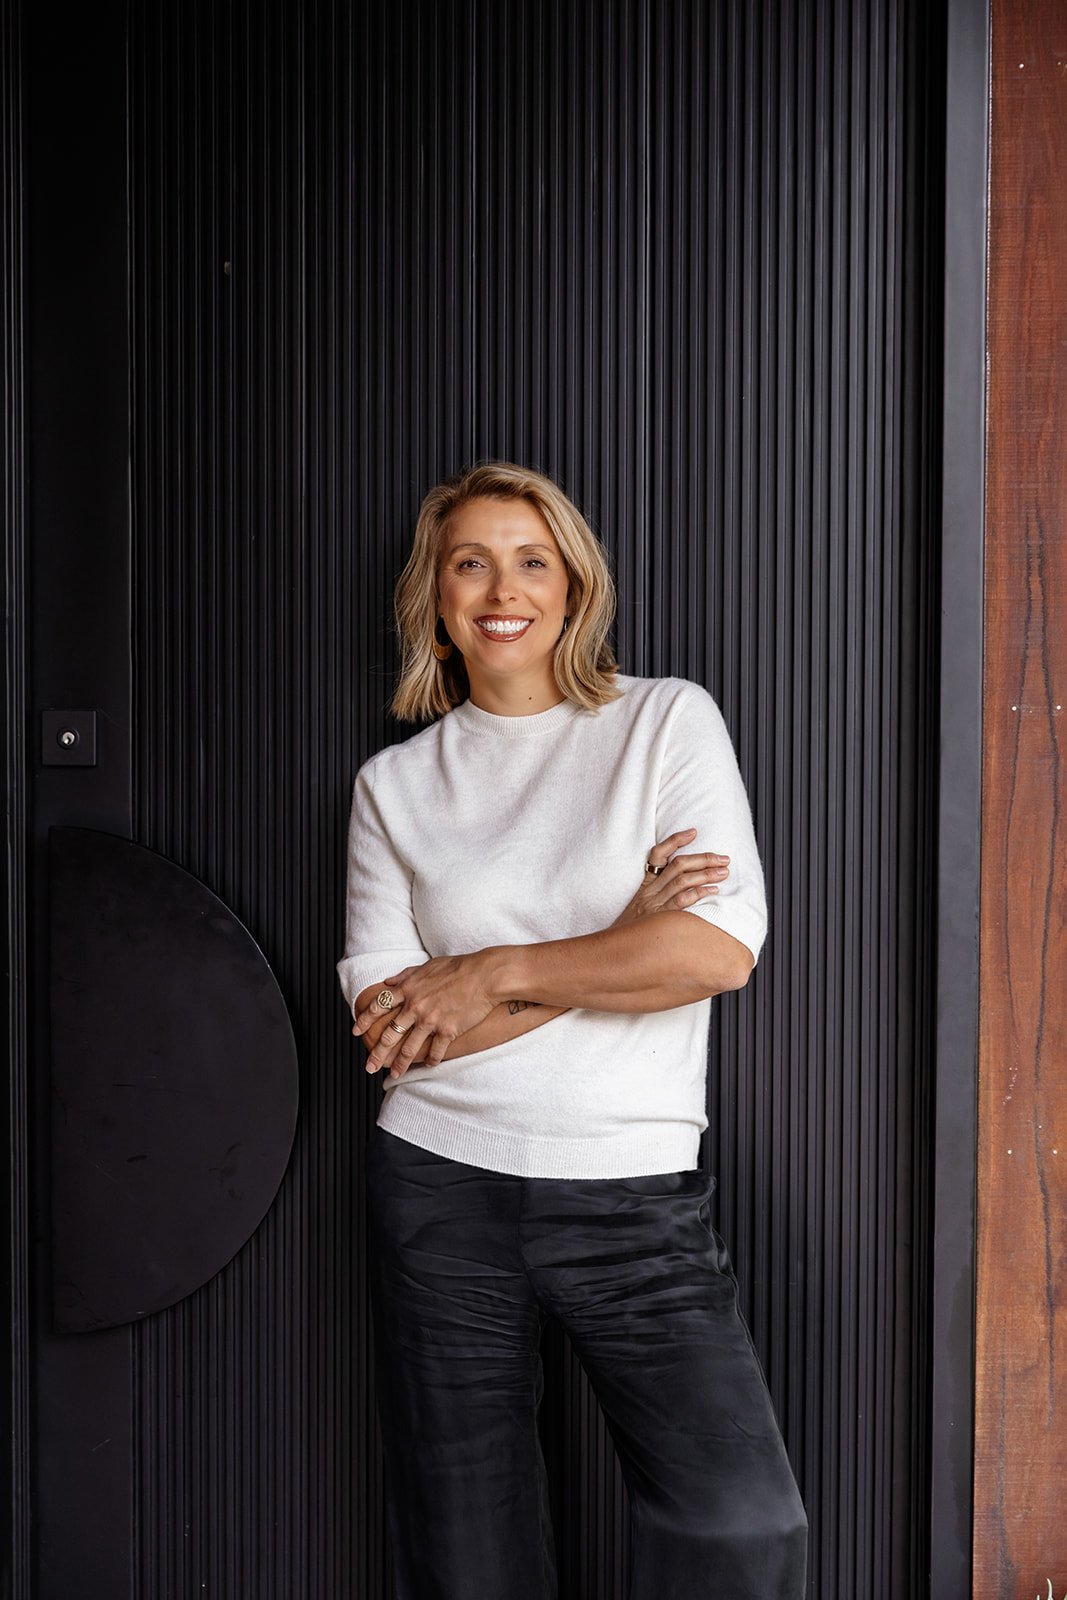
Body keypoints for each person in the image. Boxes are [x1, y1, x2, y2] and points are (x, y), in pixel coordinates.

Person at [336, 461, 807, 1599]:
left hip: (628, 1193)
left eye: (531, 559)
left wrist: (488, 974)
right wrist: (614, 944)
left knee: (738, 1526)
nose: (504, 587)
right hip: (439, 1188)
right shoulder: (393, 786)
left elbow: (711, 953)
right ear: (437, 599)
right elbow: (400, 1033)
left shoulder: (662, 722)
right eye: (471, 562)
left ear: (572, 585)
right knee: (465, 1553)